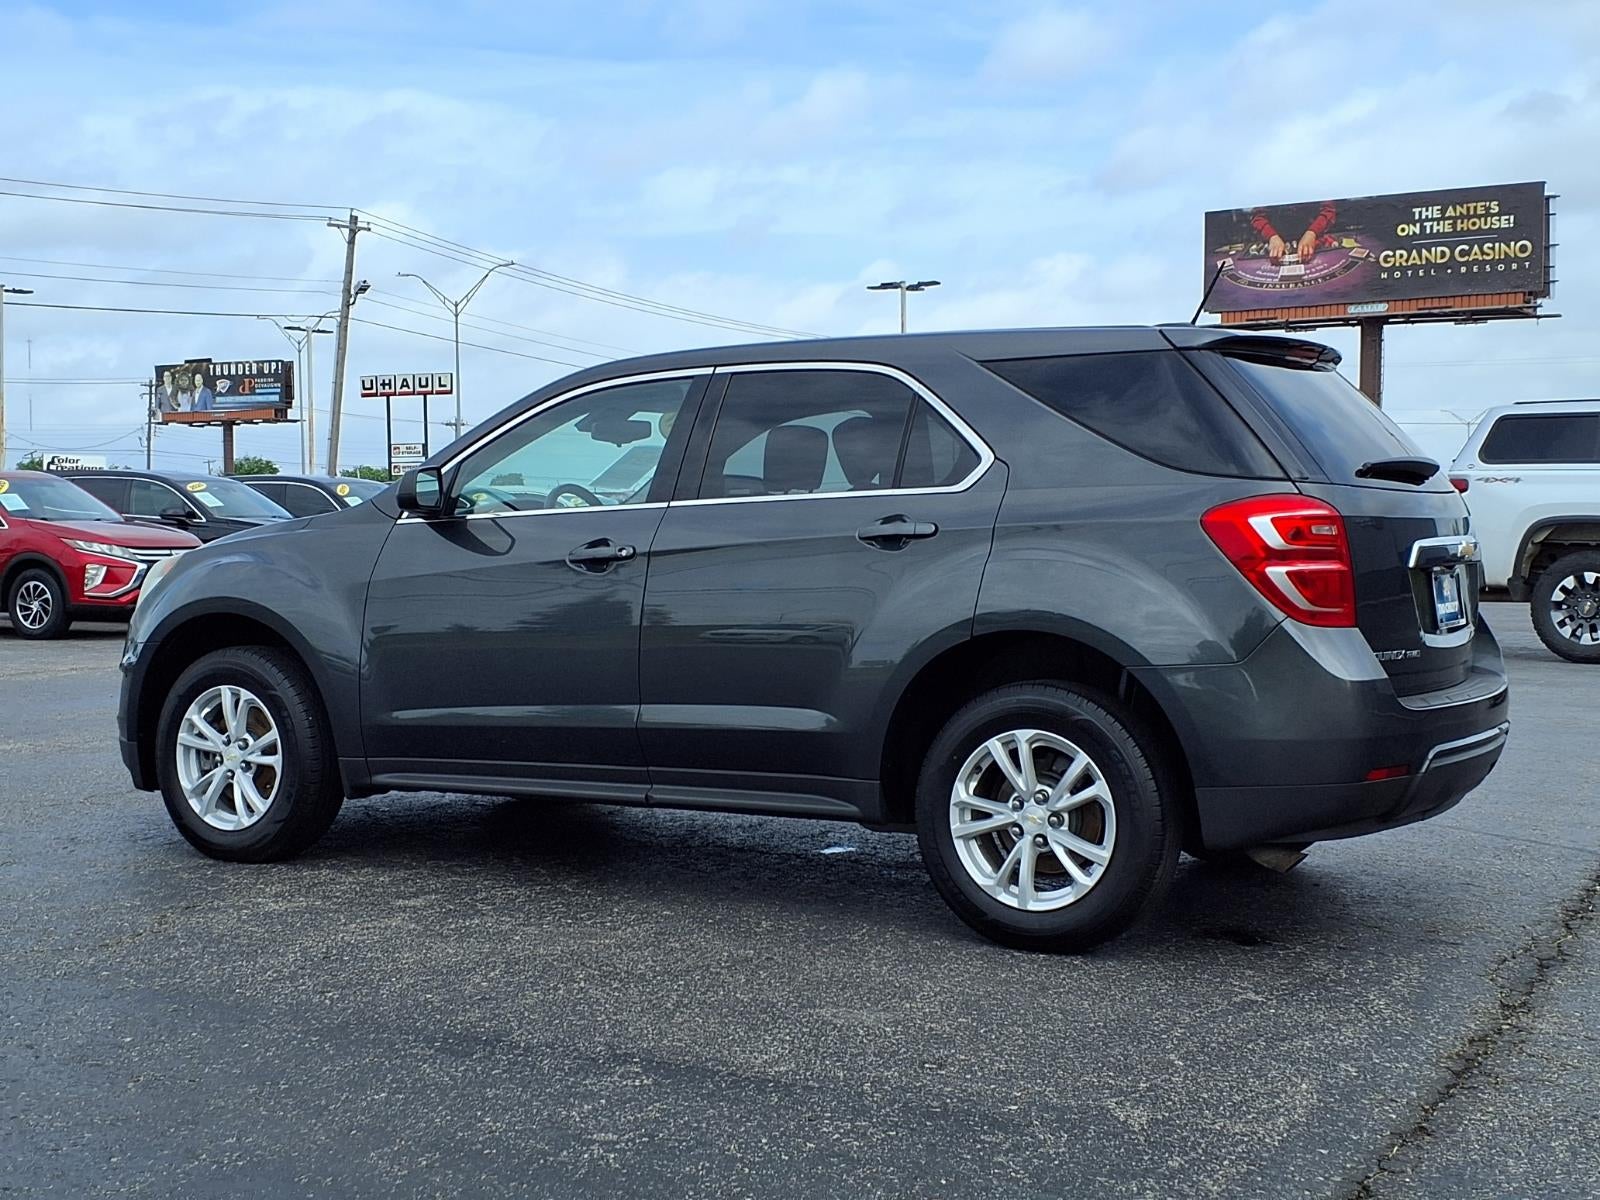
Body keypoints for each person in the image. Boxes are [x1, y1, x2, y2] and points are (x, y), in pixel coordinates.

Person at [1251, 201, 1337, 264]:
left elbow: (1328, 211)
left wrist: (1312, 233)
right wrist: (1272, 236)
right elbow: (1258, 217)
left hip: (1314, 243)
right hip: (1276, 246)